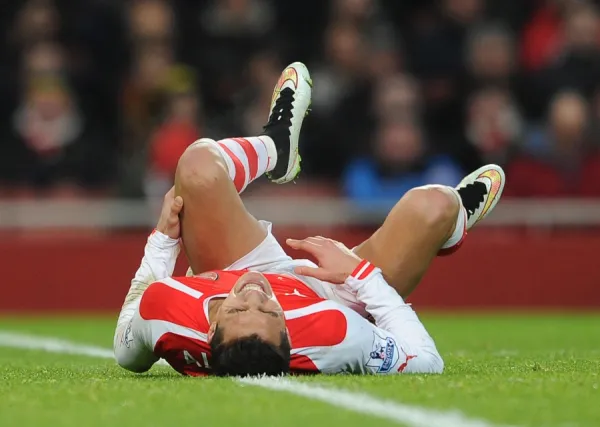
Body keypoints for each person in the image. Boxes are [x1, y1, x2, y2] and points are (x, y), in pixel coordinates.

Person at [113, 62, 506, 376]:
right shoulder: (332, 335)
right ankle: (450, 227)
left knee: (197, 165)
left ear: (210, 330)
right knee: (434, 205)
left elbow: (125, 349)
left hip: (231, 266)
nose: (253, 294)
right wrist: (360, 275)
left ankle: (276, 147)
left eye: (234, 310)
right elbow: (425, 361)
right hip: (328, 296)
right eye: (268, 312)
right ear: (288, 333)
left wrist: (163, 240)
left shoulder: (169, 315)